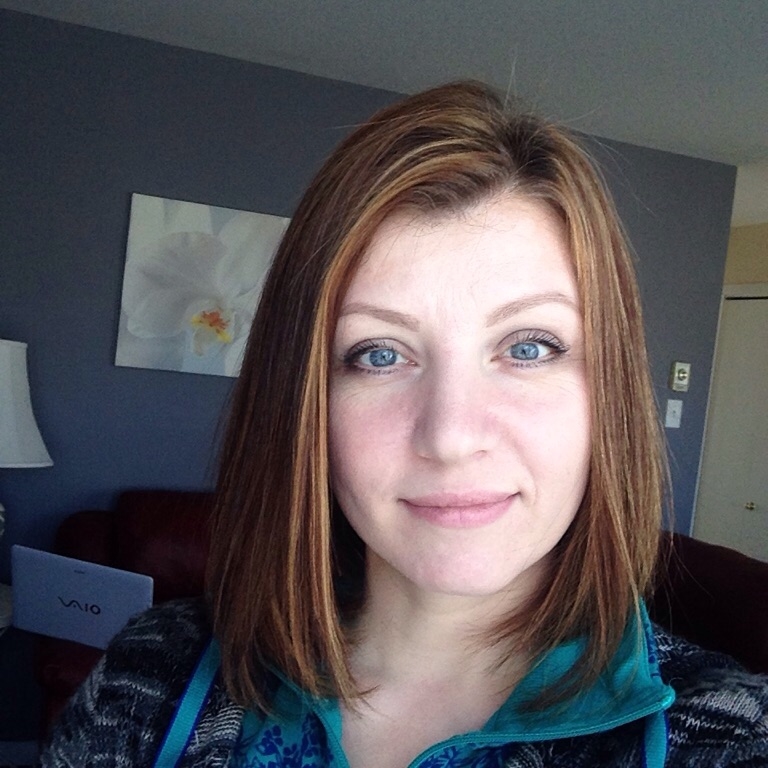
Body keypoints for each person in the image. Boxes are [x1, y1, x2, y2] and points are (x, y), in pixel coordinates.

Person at [42, 81, 768, 768]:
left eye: (529, 347)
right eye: (379, 354)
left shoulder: (729, 738)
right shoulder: (149, 676)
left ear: (609, 391)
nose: (451, 437)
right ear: (304, 402)